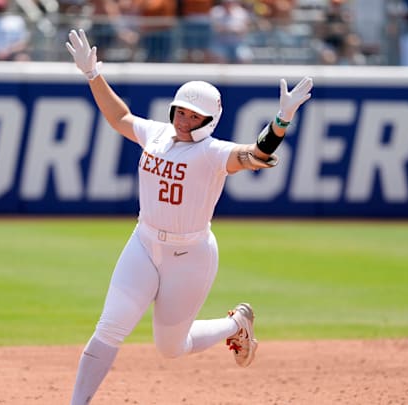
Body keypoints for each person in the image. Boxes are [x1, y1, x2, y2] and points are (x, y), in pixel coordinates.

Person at [65, 28, 313, 404]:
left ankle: (236, 324)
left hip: (190, 256)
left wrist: (282, 120)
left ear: (208, 120)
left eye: (193, 115)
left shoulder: (214, 153)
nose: (183, 119)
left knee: (171, 347)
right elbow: (120, 118)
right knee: (110, 326)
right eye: (180, 110)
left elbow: (257, 155)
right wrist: (93, 75)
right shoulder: (157, 135)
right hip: (144, 244)